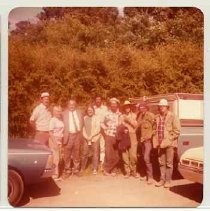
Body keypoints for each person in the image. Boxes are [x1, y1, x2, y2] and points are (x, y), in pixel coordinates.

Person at [153, 99, 181, 188]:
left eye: (163, 106)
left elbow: (177, 131)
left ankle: (168, 181)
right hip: (160, 144)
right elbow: (155, 129)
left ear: (167, 107)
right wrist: (155, 139)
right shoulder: (157, 117)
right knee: (161, 163)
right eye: (160, 106)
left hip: (169, 144)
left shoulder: (173, 116)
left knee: (169, 163)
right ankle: (162, 180)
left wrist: (169, 139)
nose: (161, 107)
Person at [62, 99, 83, 179]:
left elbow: (82, 124)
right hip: (68, 135)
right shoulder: (63, 113)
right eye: (70, 104)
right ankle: (67, 170)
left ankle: (76, 170)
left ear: (75, 105)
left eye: (73, 104)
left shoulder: (79, 112)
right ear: (68, 105)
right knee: (67, 153)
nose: (72, 106)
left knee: (76, 152)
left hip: (77, 135)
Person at [137, 102, 156, 184]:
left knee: (146, 158)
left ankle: (150, 177)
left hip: (148, 141)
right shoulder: (141, 115)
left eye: (143, 108)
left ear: (146, 108)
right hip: (142, 141)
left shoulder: (151, 115)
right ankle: (145, 175)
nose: (142, 109)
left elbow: (155, 127)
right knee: (143, 158)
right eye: (140, 108)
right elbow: (138, 125)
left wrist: (150, 136)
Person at [101, 98, 121, 176]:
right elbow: (101, 122)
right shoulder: (106, 114)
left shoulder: (119, 114)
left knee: (116, 154)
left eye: (115, 105)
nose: (113, 106)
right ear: (110, 106)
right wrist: (105, 128)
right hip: (109, 135)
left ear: (117, 105)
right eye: (112, 105)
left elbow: (121, 124)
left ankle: (113, 169)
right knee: (108, 153)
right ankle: (107, 169)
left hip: (117, 136)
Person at [120, 100, 139, 178]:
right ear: (124, 108)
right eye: (125, 107)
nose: (127, 108)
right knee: (125, 154)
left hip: (132, 135)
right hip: (124, 136)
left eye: (128, 106)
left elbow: (136, 125)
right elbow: (120, 126)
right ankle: (127, 172)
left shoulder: (134, 115)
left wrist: (128, 120)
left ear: (130, 107)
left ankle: (134, 171)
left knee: (133, 155)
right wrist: (123, 128)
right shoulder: (121, 116)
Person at [81, 105, 101, 175]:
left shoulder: (97, 118)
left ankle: (95, 168)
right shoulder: (84, 118)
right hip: (86, 138)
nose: (90, 111)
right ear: (87, 111)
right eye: (88, 110)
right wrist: (86, 137)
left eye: (91, 110)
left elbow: (98, 129)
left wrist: (91, 136)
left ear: (93, 110)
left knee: (95, 153)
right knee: (84, 153)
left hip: (95, 138)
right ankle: (82, 168)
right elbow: (83, 128)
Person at [49, 105, 64, 180]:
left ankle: (56, 174)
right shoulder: (53, 120)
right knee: (55, 158)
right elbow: (50, 132)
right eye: (57, 111)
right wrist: (55, 142)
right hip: (53, 140)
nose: (59, 112)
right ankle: (54, 176)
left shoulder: (60, 119)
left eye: (60, 111)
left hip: (60, 140)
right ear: (53, 112)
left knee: (58, 157)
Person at [93, 96, 108, 168]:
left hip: (103, 128)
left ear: (101, 100)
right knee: (95, 146)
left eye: (99, 99)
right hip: (95, 129)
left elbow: (107, 118)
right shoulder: (93, 108)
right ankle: (95, 163)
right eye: (97, 99)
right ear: (95, 100)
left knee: (102, 146)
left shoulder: (105, 108)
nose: (98, 101)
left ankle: (102, 162)